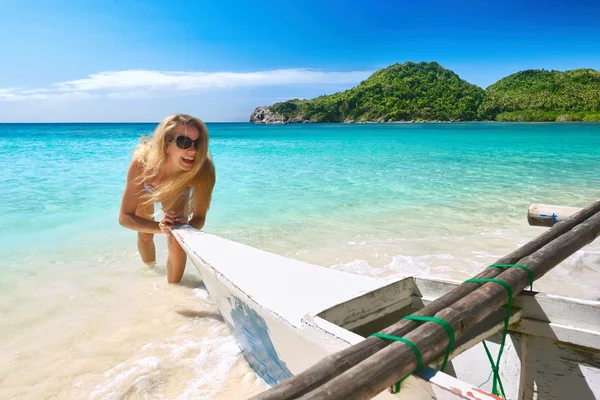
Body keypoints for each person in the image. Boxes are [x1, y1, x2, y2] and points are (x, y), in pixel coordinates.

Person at [118, 113, 216, 283]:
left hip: (180, 188)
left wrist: (181, 233)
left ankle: (174, 290)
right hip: (150, 183)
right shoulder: (143, 164)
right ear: (166, 145)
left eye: (197, 143)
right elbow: (125, 218)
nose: (192, 151)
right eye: (183, 142)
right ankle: (149, 270)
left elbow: (199, 218)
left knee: (177, 235)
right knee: (145, 235)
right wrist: (160, 228)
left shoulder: (203, 169)